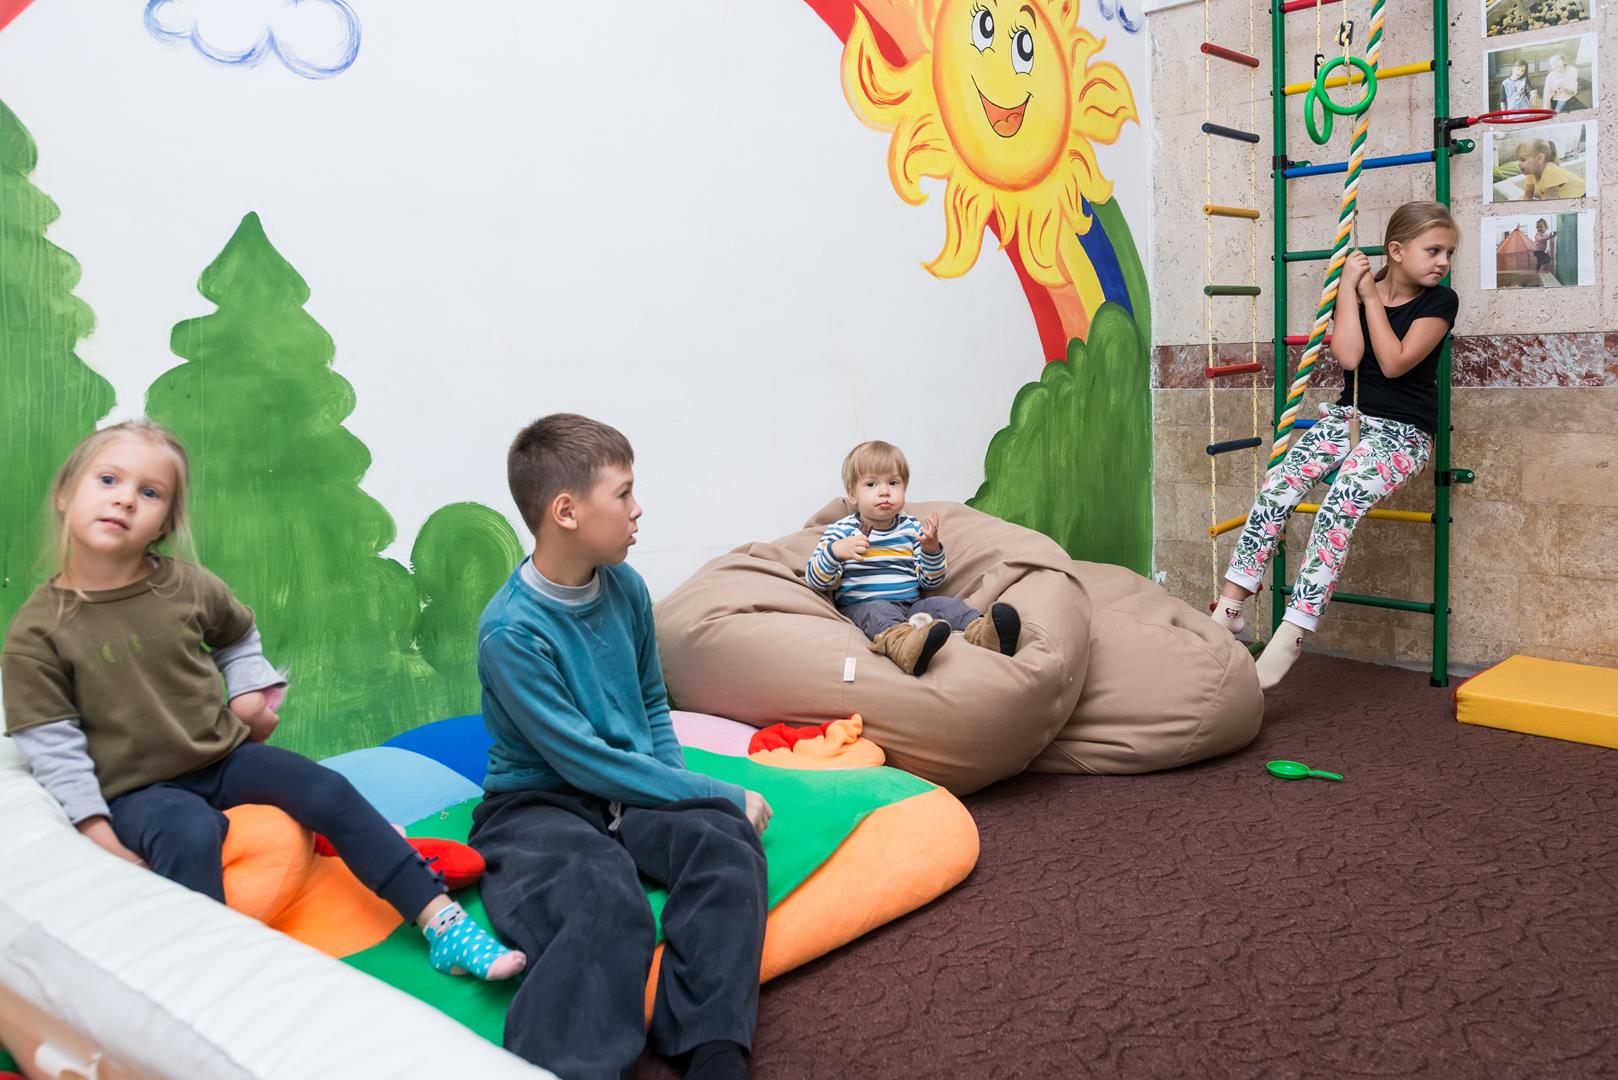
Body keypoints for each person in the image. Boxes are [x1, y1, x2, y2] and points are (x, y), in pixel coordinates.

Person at [0, 420, 523, 980]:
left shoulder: (186, 585)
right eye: (108, 480)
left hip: (221, 758)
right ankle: (216, 980)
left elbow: (238, 635)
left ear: (164, 523)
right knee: (188, 832)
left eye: (149, 492)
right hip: (136, 792)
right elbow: (52, 745)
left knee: (327, 788)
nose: (125, 498)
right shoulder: (38, 632)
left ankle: (441, 922)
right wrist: (96, 832)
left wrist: (249, 690)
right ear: (65, 493)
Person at [472, 413, 770, 1080]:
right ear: (567, 511)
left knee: (725, 844)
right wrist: (717, 791)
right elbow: (582, 760)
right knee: (602, 893)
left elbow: (653, 704)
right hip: (539, 805)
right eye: (624, 493)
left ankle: (712, 1047)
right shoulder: (511, 632)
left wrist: (688, 798)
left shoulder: (628, 587)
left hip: (630, 786)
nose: (639, 510)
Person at [1209, 203, 1460, 689]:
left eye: (1448, 252)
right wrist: (1348, 287)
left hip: (1402, 434)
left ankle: (1295, 629)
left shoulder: (1440, 302)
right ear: (1396, 251)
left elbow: (1394, 362)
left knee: (1338, 506)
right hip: (1350, 420)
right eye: (1433, 250)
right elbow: (1349, 356)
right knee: (1278, 488)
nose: (1443, 261)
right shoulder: (1361, 285)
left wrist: (1370, 298)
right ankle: (1231, 607)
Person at [805, 440, 1020, 676]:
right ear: (852, 494)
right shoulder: (841, 531)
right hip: (863, 606)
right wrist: (835, 552)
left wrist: (931, 550)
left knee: (942, 604)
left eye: (893, 483)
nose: (884, 491)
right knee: (877, 611)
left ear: (904, 488)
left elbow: (931, 582)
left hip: (910, 605)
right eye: (871, 484)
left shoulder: (911, 528)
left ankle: (985, 633)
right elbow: (815, 581)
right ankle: (904, 647)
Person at [1517, 139, 1585, 200]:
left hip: (1583, 195)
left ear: (1539, 159)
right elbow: (1527, 197)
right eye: (1518, 160)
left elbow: (1552, 203)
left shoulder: (1550, 171)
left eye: (1523, 160)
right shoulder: (1531, 174)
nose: (1518, 164)